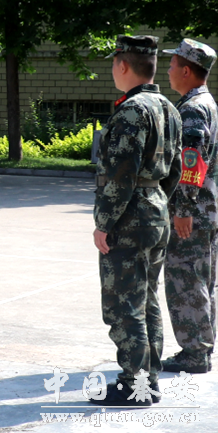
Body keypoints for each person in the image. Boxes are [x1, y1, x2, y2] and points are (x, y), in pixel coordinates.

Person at [91, 35, 182, 407]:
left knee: (124, 304)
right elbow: (175, 170)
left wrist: (104, 222)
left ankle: (134, 385)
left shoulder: (132, 111)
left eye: (114, 64)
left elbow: (121, 174)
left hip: (129, 218)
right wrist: (157, 201)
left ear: (123, 65)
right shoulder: (169, 109)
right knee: (147, 300)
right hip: (156, 210)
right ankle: (148, 381)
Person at [162, 39, 218, 374]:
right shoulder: (207, 103)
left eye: (172, 65)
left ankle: (195, 352)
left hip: (193, 212)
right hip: (207, 208)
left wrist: (182, 208)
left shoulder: (193, 109)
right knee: (202, 280)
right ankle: (202, 348)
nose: (168, 70)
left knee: (186, 281)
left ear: (186, 71)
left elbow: (191, 161)